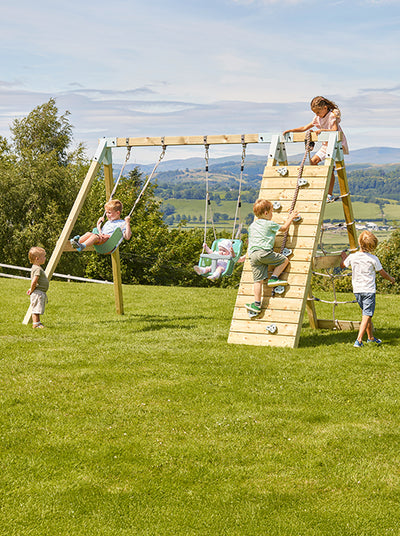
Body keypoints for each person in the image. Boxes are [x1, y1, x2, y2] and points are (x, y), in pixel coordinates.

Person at [283, 96, 349, 201]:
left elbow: (335, 130)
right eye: (315, 113)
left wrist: (322, 130)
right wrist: (291, 130)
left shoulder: (332, 115)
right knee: (313, 161)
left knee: (329, 168)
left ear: (325, 108)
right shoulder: (317, 118)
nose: (317, 114)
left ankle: (329, 194)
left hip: (335, 145)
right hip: (326, 145)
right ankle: (321, 182)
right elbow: (304, 128)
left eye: (318, 112)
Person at [245, 198, 300, 315]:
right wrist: (291, 218)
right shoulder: (269, 224)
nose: (272, 214)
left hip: (253, 255)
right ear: (266, 213)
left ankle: (256, 304)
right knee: (284, 260)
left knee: (257, 281)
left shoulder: (252, 226)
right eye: (271, 212)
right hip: (263, 252)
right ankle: (274, 278)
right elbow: (284, 229)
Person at [341, 230, 395, 347]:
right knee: (367, 315)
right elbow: (383, 273)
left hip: (357, 291)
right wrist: (391, 279)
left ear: (359, 243)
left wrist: (344, 258)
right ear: (372, 246)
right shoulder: (373, 259)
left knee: (366, 314)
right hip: (369, 291)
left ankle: (370, 338)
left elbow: (342, 265)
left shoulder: (352, 257)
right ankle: (359, 340)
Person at [27, 246, 49, 329]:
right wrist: (32, 289)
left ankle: (38, 323)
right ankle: (35, 324)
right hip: (38, 293)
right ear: (37, 258)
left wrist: (31, 289)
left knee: (38, 308)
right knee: (36, 309)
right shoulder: (37, 269)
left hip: (39, 292)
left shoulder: (36, 267)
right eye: (43, 256)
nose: (45, 258)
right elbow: (34, 281)